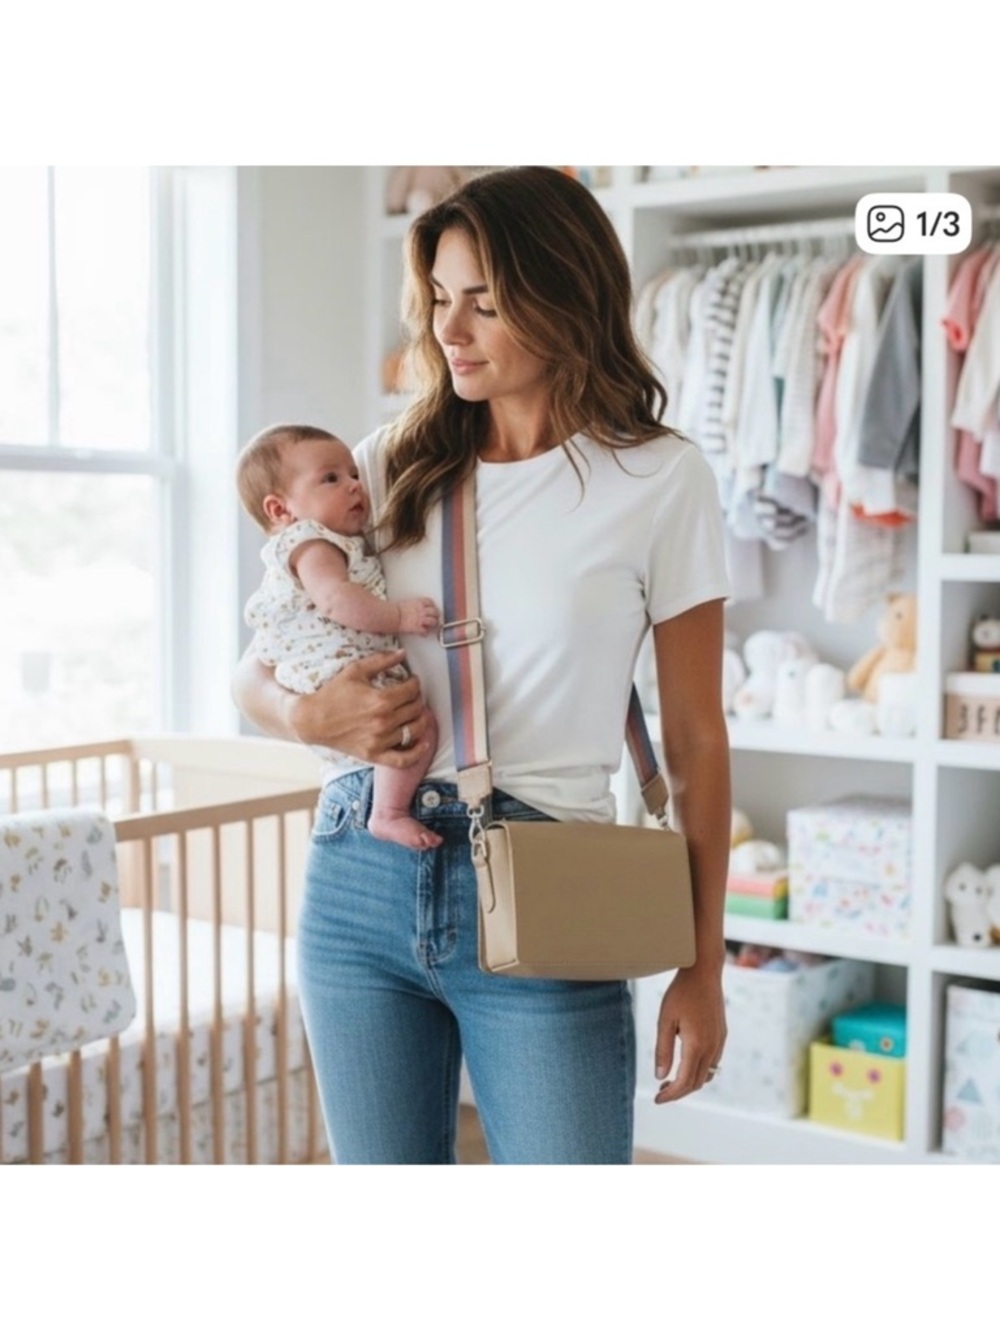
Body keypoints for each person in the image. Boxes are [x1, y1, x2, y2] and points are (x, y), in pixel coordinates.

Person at [232, 165, 732, 1165]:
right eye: (441, 301)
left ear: (564, 299)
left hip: (549, 879)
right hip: (357, 878)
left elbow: (695, 742)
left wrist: (702, 963)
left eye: (486, 304)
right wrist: (308, 721)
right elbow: (252, 673)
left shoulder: (659, 477)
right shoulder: (386, 462)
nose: (449, 331)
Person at [236, 424, 443, 850]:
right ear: (280, 510)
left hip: (326, 670)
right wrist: (399, 615)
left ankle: (386, 809)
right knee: (419, 726)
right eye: (331, 479)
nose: (353, 486)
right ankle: (387, 812)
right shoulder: (311, 544)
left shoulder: (330, 541)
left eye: (353, 475)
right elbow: (334, 600)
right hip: (333, 669)